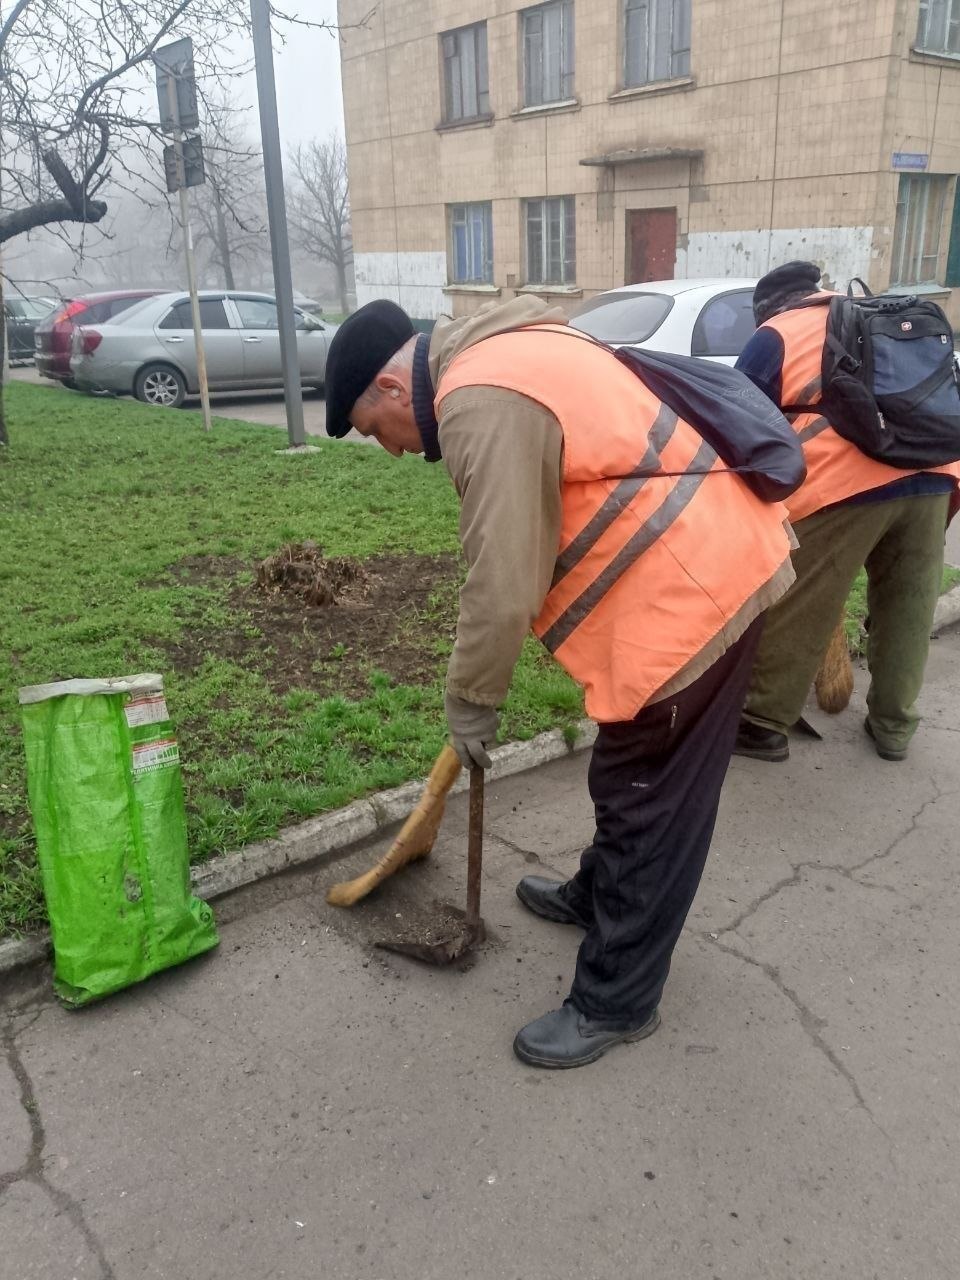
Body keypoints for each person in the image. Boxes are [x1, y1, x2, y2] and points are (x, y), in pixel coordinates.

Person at [324, 295, 797, 1069]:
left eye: (379, 432)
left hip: (695, 593)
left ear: (385, 386)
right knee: (626, 775)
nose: (392, 451)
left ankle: (617, 999)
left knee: (652, 807)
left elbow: (502, 579)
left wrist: (470, 703)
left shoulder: (477, 399)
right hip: (687, 573)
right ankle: (594, 896)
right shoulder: (506, 353)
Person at [732, 261, 960, 764]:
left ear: (769, 309)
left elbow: (740, 423)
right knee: (909, 609)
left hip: (843, 486)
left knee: (801, 605)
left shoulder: (777, 333)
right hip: (935, 473)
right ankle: (894, 726)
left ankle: (762, 722)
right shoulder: (874, 314)